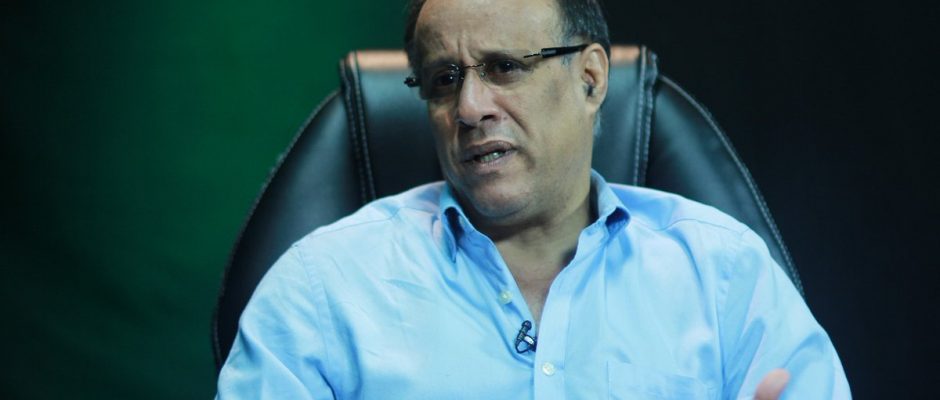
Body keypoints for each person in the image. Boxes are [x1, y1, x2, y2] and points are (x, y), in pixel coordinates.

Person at [216, 0, 850, 398]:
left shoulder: (724, 274)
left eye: (505, 67)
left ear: (591, 79)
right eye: (444, 79)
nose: (469, 108)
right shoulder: (321, 290)